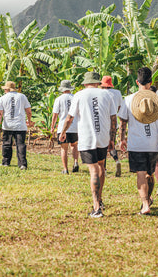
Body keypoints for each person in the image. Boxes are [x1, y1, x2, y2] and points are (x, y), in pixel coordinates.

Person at [60, 71, 117, 218]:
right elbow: (113, 119)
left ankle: (96, 207)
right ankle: (100, 199)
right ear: (98, 83)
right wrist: (112, 139)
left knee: (93, 170)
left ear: (85, 83)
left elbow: (69, 117)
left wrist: (63, 131)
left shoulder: (79, 95)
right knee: (101, 167)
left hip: (87, 138)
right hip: (103, 137)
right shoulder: (107, 95)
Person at [119, 67, 158, 215]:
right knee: (150, 174)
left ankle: (145, 203)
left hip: (136, 144)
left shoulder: (128, 100)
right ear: (151, 82)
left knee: (141, 173)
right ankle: (149, 198)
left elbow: (122, 123)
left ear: (136, 81)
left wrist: (121, 139)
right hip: (153, 144)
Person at [0, 81, 33, 170]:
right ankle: (22, 164)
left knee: (6, 144)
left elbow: (0, 113)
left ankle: (6, 162)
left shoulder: (2, 98)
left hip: (7, 125)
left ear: (7, 89)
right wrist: (29, 120)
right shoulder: (22, 96)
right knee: (20, 145)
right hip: (20, 125)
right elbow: (28, 111)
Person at [51, 80, 79, 174]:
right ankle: (75, 162)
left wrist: (52, 126)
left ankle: (65, 169)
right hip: (75, 126)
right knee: (74, 145)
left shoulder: (59, 99)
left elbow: (55, 115)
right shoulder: (75, 97)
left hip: (63, 127)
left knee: (64, 148)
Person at [100, 75, 123, 177]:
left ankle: (104, 169)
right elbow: (119, 107)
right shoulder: (117, 93)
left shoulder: (101, 93)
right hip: (114, 122)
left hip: (103, 122)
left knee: (103, 146)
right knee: (112, 142)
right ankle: (117, 160)